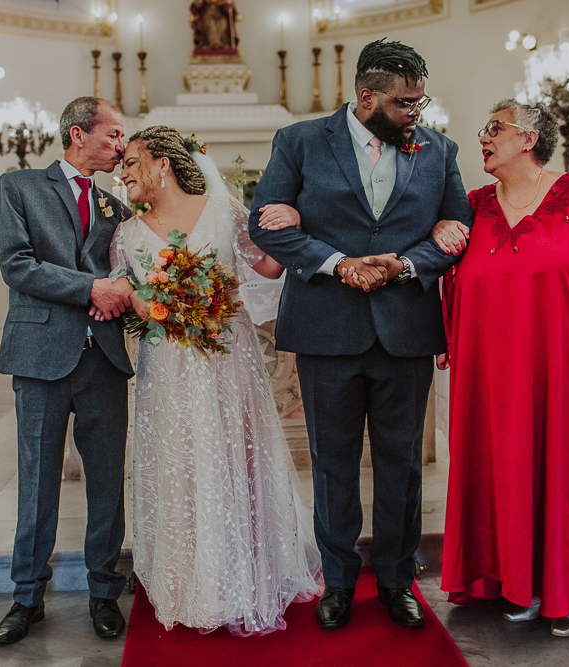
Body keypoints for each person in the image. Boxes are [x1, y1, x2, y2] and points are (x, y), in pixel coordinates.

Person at [248, 39, 472, 630]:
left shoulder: (439, 149)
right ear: (367, 97)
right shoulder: (299, 141)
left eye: (420, 102)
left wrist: (407, 265)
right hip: (327, 329)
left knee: (402, 465)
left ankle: (398, 581)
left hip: (405, 329)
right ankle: (340, 582)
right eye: (404, 103)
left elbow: (457, 226)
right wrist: (337, 263)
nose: (414, 113)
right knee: (333, 464)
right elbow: (265, 223)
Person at [100, 126, 320, 635]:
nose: (122, 172)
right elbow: (121, 289)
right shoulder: (126, 234)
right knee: (179, 463)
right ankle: (189, 583)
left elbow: (266, 268)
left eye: (131, 161)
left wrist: (293, 222)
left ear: (162, 163)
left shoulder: (225, 212)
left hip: (226, 358)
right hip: (167, 366)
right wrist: (140, 298)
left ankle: (247, 576)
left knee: (233, 456)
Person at [437, 100, 569, 638]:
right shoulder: (473, 207)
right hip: (491, 375)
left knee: (568, 476)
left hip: (563, 369)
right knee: (501, 471)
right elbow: (449, 274)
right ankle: (515, 584)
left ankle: (568, 595)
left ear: (528, 139)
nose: (483, 137)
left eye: (495, 128)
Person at [0, 97, 134, 645]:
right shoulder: (19, 187)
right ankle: (27, 598)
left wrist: (118, 291)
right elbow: (17, 265)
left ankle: (104, 591)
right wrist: (91, 289)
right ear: (78, 134)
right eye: (113, 134)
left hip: (103, 358)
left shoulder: (117, 206)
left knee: (107, 483)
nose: (122, 145)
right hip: (40, 355)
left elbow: (130, 269)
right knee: (36, 481)